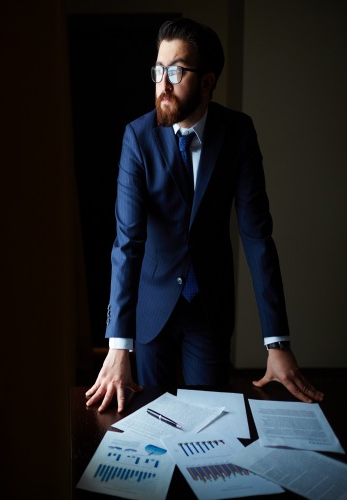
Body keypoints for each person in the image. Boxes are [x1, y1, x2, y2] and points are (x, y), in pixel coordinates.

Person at [85, 17, 324, 413]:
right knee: (149, 423)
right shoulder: (138, 137)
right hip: (149, 308)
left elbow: (257, 236)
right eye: (158, 71)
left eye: (175, 71)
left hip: (208, 308)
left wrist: (276, 342)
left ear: (208, 82)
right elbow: (127, 242)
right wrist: (118, 344)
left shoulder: (238, 134)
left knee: (212, 424)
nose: (162, 84)